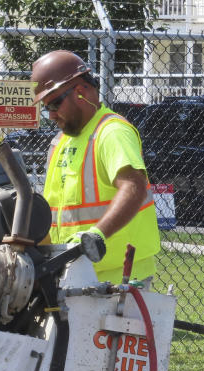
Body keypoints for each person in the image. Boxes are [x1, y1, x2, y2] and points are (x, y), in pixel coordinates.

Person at [31, 50, 160, 285]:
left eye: (55, 103)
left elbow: (134, 187)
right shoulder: (60, 142)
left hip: (119, 278)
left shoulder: (112, 132)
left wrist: (96, 236)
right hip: (73, 273)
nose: (51, 115)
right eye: (46, 108)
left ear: (81, 92)